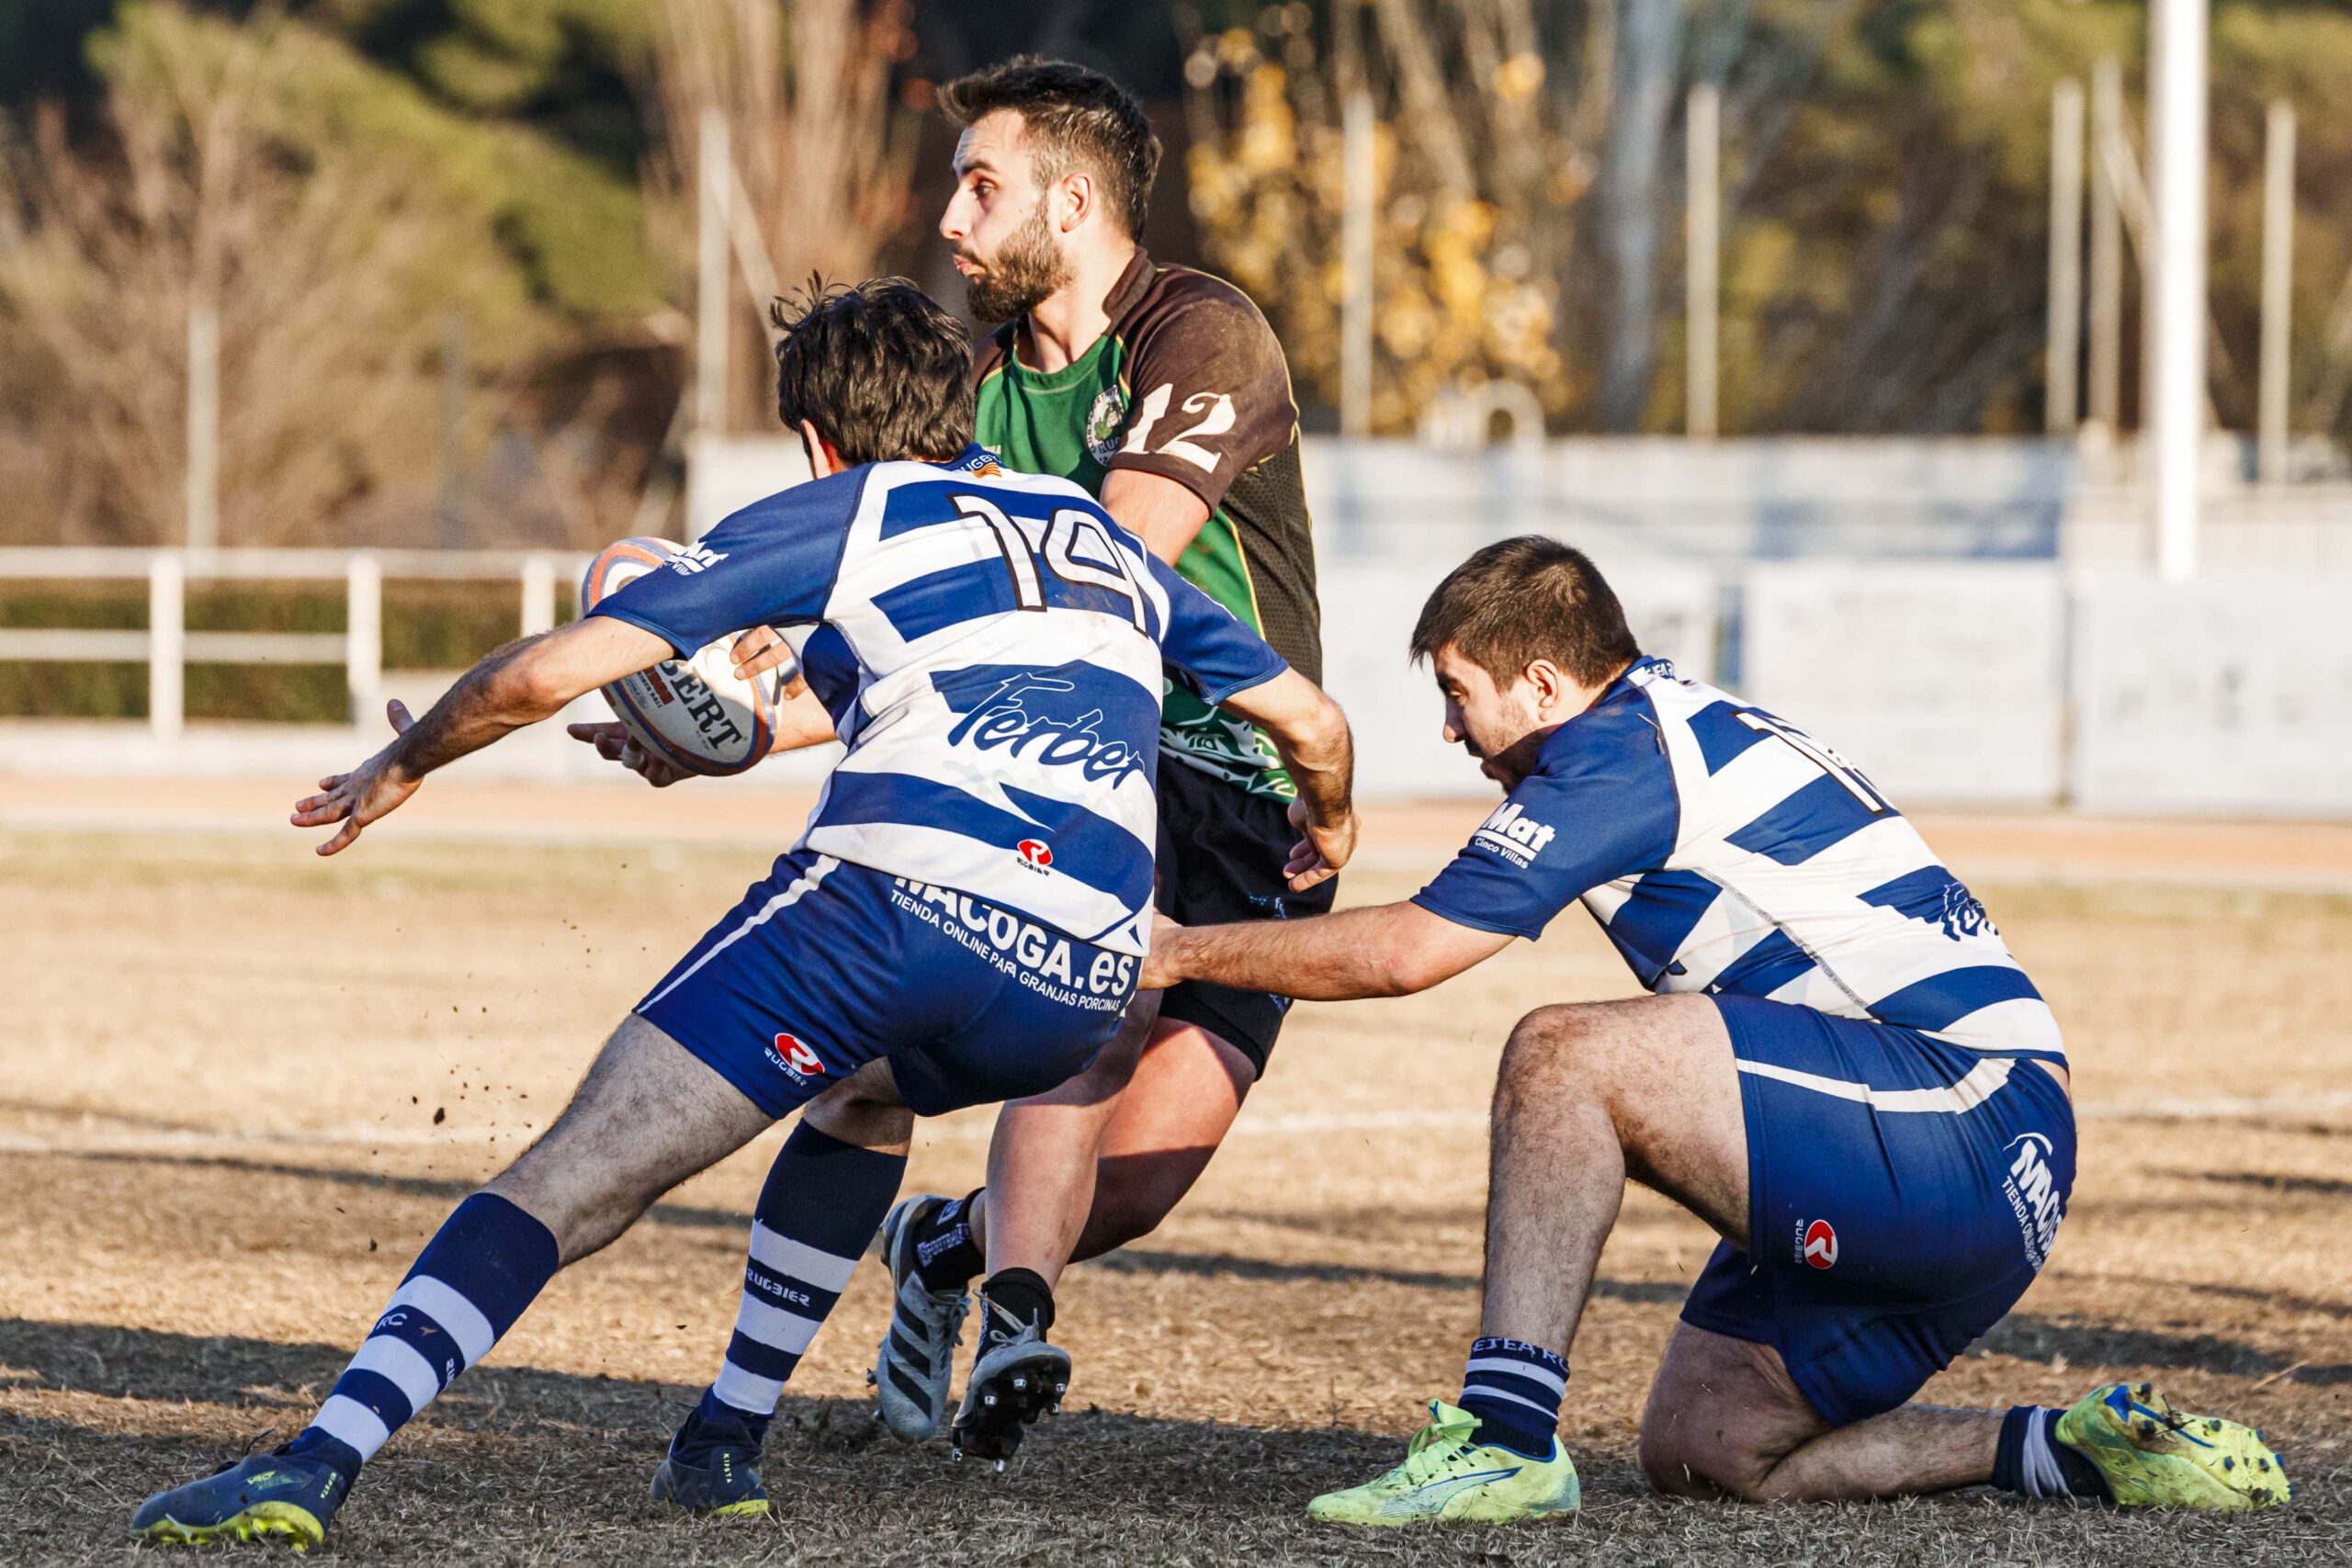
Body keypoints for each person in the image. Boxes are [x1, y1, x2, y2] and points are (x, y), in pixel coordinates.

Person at [128, 277, 1354, 1548]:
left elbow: (544, 670)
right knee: (866, 1091)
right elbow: (1313, 722)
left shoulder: (855, 504)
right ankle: (722, 1442)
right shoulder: (1097, 536)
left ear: (819, 440)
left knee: (579, 1171)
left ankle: (314, 1460)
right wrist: (1335, 820)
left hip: (895, 911)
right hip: (1082, 985)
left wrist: (408, 760)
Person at [1141, 535, 2290, 1527]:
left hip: (1964, 1120)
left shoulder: (1620, 755)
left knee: (1566, 1055)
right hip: (1972, 1164)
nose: (1449, 730)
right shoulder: (1651, 729)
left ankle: (1501, 1439)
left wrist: (1175, 948)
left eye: (1457, 692)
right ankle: (2064, 1449)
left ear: (1542, 684)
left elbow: (1406, 954)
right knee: (1705, 1448)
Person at [713, 55, 1340, 1454]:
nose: (952, 219)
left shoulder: (1200, 334)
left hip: (1248, 799)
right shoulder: (982, 402)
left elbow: (1111, 565)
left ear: (1074, 198)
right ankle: (1018, 1324)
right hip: (1092, 769)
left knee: (1142, 1178)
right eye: (955, 188)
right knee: (1095, 1021)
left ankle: (945, 1248)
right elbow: (943, 635)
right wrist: (747, 723)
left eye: (980, 186)